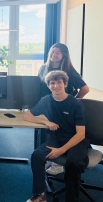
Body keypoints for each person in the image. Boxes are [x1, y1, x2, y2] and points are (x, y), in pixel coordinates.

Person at [24, 71, 89, 202]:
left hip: (76, 140)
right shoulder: (46, 100)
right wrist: (46, 122)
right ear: (48, 86)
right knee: (36, 156)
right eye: (52, 83)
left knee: (73, 163)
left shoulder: (76, 104)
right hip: (57, 138)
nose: (56, 86)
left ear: (65, 84)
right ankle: (39, 195)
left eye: (59, 82)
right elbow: (27, 115)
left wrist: (61, 150)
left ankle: (71, 199)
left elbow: (81, 134)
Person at [38, 43, 90, 175]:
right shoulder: (43, 69)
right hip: (48, 106)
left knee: (60, 132)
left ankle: (59, 161)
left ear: (63, 56)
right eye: (52, 52)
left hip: (63, 109)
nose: (54, 55)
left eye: (58, 53)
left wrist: (73, 101)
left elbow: (85, 89)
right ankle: (47, 159)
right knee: (46, 132)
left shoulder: (69, 71)